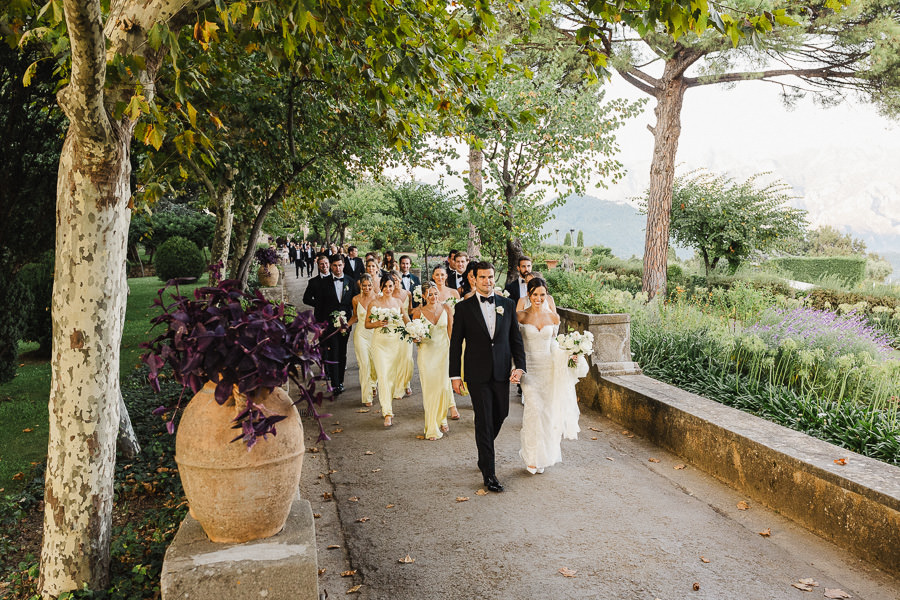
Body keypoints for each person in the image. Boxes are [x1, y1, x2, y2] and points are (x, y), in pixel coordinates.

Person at [449, 261, 526, 493]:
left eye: (490, 277)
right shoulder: (463, 308)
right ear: (474, 279)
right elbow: (455, 345)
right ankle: (489, 474)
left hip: (502, 371)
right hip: (476, 373)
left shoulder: (508, 305)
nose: (487, 281)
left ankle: (484, 453)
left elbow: (516, 340)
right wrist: (454, 375)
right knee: (483, 420)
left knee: (501, 413)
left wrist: (519, 366)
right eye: (482, 277)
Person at [516, 277, 586, 474]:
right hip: (529, 369)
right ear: (529, 295)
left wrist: (570, 353)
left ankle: (543, 457)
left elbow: (555, 345)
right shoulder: (520, 316)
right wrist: (516, 367)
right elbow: (516, 345)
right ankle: (531, 458)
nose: (538, 298)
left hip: (549, 369)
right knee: (534, 410)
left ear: (546, 295)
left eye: (542, 294)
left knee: (547, 414)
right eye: (535, 294)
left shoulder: (554, 318)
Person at [303, 254, 355, 394]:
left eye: (340, 265)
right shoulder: (323, 284)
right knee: (333, 352)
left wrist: (351, 320)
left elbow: (355, 304)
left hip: (345, 324)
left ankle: (341, 381)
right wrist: (320, 326)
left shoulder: (350, 281)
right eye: (334, 266)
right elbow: (319, 306)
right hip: (329, 324)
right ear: (330, 266)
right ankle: (336, 384)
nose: (337, 268)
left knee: (342, 353)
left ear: (343, 265)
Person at [412, 283, 454, 440]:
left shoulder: (447, 309)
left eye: (436, 294)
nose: (434, 297)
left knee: (443, 388)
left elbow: (451, 332)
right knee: (430, 391)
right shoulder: (418, 313)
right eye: (430, 294)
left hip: (444, 354)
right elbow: (415, 338)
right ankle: (431, 427)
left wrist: (455, 354)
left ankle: (442, 418)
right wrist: (415, 337)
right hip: (426, 355)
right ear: (423, 296)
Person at [366, 277, 410, 426]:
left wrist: (416, 330)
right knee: (383, 376)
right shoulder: (374, 303)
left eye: (390, 286)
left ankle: (387, 404)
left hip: (395, 343)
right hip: (379, 344)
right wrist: (377, 323)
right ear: (381, 287)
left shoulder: (398, 302)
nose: (388, 289)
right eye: (385, 286)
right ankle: (387, 412)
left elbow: (406, 320)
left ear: (394, 286)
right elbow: (366, 324)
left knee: (391, 377)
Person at [431, 264, 462, 421]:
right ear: (433, 276)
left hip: (452, 333)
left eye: (442, 275)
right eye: (437, 275)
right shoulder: (429, 293)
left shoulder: (453, 292)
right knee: (438, 372)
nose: (440, 277)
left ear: (446, 276)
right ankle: (443, 404)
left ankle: (451, 405)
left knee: (448, 371)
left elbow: (461, 313)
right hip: (436, 336)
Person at [348, 274, 378, 406]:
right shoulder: (355, 299)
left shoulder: (379, 298)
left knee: (375, 364)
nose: (366, 288)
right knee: (364, 364)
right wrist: (345, 325)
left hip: (376, 334)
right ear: (360, 285)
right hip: (360, 334)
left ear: (373, 285)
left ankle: (373, 383)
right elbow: (355, 316)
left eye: (369, 285)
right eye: (364, 285)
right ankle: (367, 397)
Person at [390, 271, 415, 396]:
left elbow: (409, 311)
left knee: (407, 358)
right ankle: (398, 385)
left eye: (397, 279)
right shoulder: (388, 295)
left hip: (406, 327)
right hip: (392, 329)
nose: (396, 282)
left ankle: (407, 382)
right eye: (393, 280)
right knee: (396, 357)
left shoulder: (408, 293)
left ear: (401, 279)